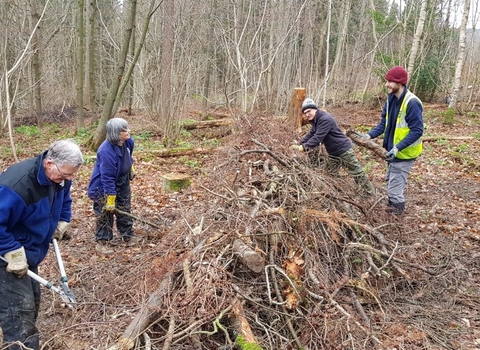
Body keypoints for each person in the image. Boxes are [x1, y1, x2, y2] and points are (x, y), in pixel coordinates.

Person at [0, 139, 84, 350]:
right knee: (19, 313)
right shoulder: (16, 185)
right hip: (6, 254)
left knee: (33, 302)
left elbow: (64, 198)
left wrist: (62, 220)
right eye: (65, 175)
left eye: (71, 175)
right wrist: (11, 251)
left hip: (30, 249)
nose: (68, 179)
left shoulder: (60, 178)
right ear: (49, 163)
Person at [361, 66, 424, 215]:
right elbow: (384, 124)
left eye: (390, 81)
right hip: (392, 153)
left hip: (404, 154)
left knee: (395, 190)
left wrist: (397, 148)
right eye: (387, 81)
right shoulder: (391, 100)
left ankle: (396, 223)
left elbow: (417, 131)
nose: (386, 84)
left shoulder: (412, 102)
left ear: (400, 83)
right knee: (390, 183)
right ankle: (391, 213)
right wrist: (369, 136)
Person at [290, 98, 375, 196]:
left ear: (315, 109)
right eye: (305, 113)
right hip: (333, 152)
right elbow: (311, 134)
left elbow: (318, 137)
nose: (307, 114)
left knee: (357, 172)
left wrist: (303, 148)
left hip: (343, 150)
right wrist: (300, 143)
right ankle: (340, 193)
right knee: (330, 173)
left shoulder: (325, 119)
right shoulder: (315, 120)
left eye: (309, 111)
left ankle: (370, 194)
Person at [88, 117, 139, 254]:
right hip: (104, 186)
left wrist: (130, 168)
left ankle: (127, 235)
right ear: (116, 133)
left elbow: (129, 156)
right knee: (105, 212)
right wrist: (110, 198)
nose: (128, 131)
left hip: (122, 181)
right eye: (124, 130)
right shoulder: (106, 151)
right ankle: (103, 241)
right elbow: (107, 177)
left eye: (127, 128)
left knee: (124, 207)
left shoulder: (128, 142)